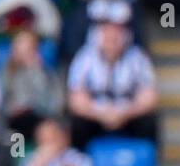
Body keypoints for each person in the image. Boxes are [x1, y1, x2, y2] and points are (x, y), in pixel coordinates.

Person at [67, 13, 159, 150]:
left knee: (149, 123)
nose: (112, 39)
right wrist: (100, 113)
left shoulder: (138, 58)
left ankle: (146, 164)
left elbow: (150, 96)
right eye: (107, 34)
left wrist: (126, 113)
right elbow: (75, 98)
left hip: (128, 112)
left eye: (116, 34)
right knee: (78, 124)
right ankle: (79, 164)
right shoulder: (84, 58)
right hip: (96, 114)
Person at [2, 30, 63, 142]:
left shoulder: (48, 74)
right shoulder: (5, 75)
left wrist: (35, 71)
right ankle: (17, 156)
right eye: (18, 46)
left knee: (48, 131)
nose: (22, 53)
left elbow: (55, 106)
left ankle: (41, 158)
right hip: (15, 124)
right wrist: (13, 109)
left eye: (27, 49)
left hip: (41, 120)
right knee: (15, 136)